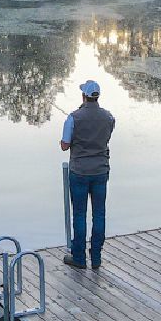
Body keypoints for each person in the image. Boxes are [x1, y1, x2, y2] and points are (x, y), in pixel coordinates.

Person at [59, 79, 115, 269]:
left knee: (79, 214)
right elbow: (106, 138)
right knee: (99, 214)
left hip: (79, 172)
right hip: (100, 171)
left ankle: (79, 258)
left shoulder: (73, 118)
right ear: (97, 96)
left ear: (84, 96)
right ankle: (96, 258)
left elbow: (64, 145)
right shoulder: (109, 117)